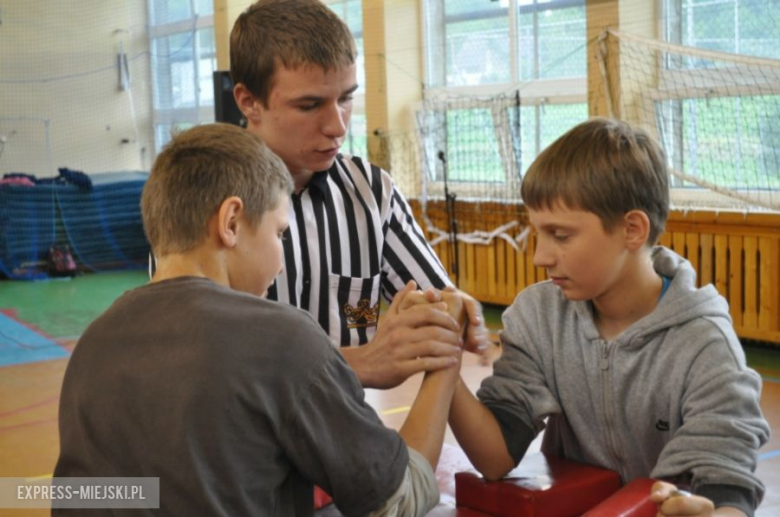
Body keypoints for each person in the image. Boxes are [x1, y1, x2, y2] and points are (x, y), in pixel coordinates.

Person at [54, 123, 464, 516]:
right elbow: (398, 499)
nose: (282, 260)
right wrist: (445, 349)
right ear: (231, 222)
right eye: (280, 233)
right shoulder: (282, 338)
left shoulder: (93, 344)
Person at [447, 118, 770, 517]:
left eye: (561, 236)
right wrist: (442, 364)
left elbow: (727, 486)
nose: (540, 257)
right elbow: (495, 457)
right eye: (538, 234)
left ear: (632, 229)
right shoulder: (539, 317)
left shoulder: (703, 343)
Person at [228, 0, 489, 389]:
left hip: (348, 439)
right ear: (249, 101)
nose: (337, 126)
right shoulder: (201, 196)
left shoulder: (371, 191)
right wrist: (355, 364)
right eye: (310, 105)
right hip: (245, 444)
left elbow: (438, 303)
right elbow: (201, 360)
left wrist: (455, 313)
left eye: (346, 98)